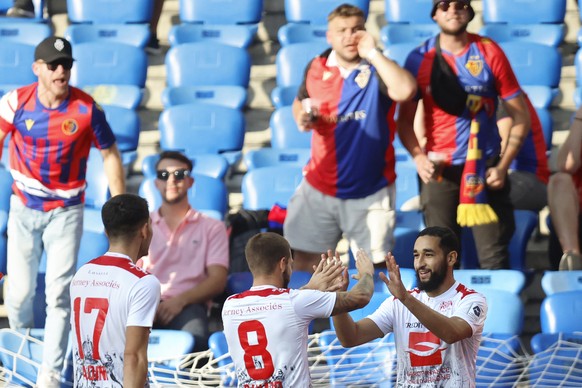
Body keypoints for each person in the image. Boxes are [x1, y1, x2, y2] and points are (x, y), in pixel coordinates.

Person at [0, 36, 125, 387]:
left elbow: (111, 152)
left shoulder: (86, 108)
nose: (61, 71)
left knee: (58, 292)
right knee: (20, 294)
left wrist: (120, 205)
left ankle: (49, 375)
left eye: (66, 64)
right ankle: (20, 362)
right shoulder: (14, 102)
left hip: (67, 210)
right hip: (23, 206)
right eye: (53, 65)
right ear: (37, 68)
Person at [397, 0, 531, 269]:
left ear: (469, 11)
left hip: (484, 166)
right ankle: (444, 312)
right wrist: (418, 158)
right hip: (440, 169)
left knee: (493, 255)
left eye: (460, 4)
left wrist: (504, 166)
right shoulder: (419, 58)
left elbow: (521, 116)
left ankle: (491, 311)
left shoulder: (489, 51)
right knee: (439, 258)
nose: (453, 10)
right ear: (434, 14)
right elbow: (404, 122)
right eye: (444, 5)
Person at [283, 3, 417, 272]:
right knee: (304, 262)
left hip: (370, 189)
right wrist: (301, 116)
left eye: (357, 29)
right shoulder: (316, 66)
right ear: (329, 36)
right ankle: (317, 315)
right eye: (341, 30)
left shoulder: (379, 68)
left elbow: (406, 90)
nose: (349, 36)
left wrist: (373, 53)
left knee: (372, 270)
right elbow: (300, 100)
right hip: (319, 186)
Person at [332, 226, 488, 387]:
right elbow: (351, 337)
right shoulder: (398, 302)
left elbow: (451, 333)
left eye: (428, 255)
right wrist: (336, 301)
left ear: (451, 258)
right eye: (416, 255)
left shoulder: (471, 300)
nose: (420, 263)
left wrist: (405, 298)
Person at [222, 232, 376, 387]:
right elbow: (361, 297)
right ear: (282, 264)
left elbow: (276, 306)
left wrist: (309, 289)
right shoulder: (295, 302)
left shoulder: (229, 305)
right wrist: (367, 273)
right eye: (291, 264)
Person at [140, 151, 229, 351]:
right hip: (144, 303)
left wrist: (179, 301)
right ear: (156, 183)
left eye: (179, 174)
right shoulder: (142, 225)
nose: (171, 180)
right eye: (164, 175)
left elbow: (218, 280)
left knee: (195, 340)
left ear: (190, 181)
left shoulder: (212, 227)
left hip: (189, 304)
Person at [70, 194, 161, 387]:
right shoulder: (143, 282)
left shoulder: (81, 274)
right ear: (145, 230)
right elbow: (134, 356)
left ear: (105, 231)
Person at [497, 95, 549, 212]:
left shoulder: (507, 97)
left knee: (472, 195)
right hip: (504, 177)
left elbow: (499, 151)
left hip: (529, 179)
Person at [548, 107, 582, 271]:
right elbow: (565, 164)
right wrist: (579, 119)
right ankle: (572, 260)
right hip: (576, 220)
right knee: (559, 180)